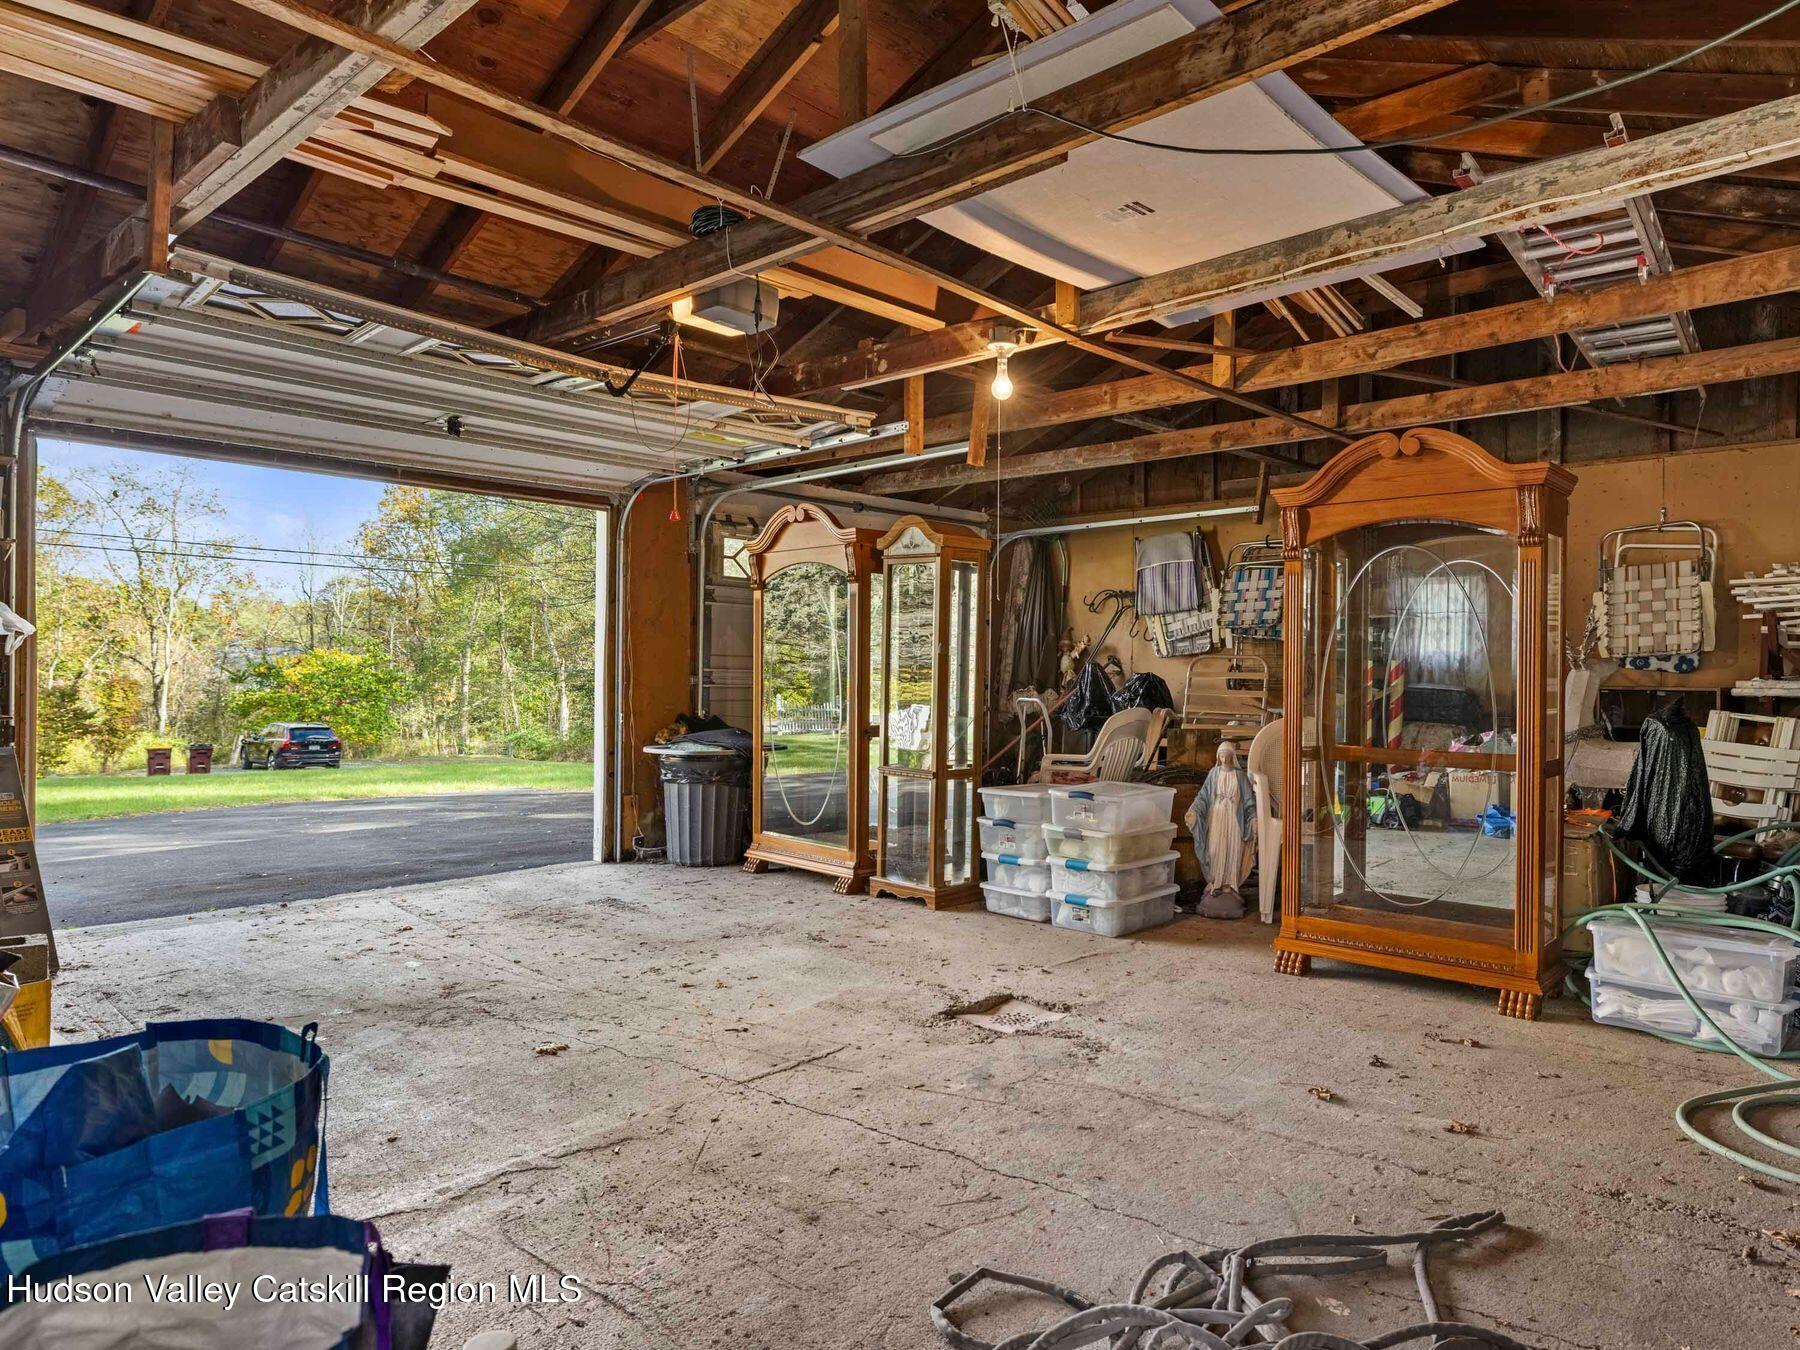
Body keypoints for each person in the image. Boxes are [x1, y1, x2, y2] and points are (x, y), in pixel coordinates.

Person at [1185, 739, 1257, 918]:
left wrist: (1253, 817)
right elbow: (1203, 796)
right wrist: (1194, 811)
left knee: (1232, 850)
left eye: (1227, 756)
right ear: (1218, 757)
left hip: (1233, 820)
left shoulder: (1240, 777)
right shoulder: (1213, 773)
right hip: (1216, 817)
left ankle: (1230, 886)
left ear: (1232, 757)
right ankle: (1215, 882)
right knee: (1215, 850)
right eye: (1221, 756)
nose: (1224, 759)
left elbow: (1248, 801)